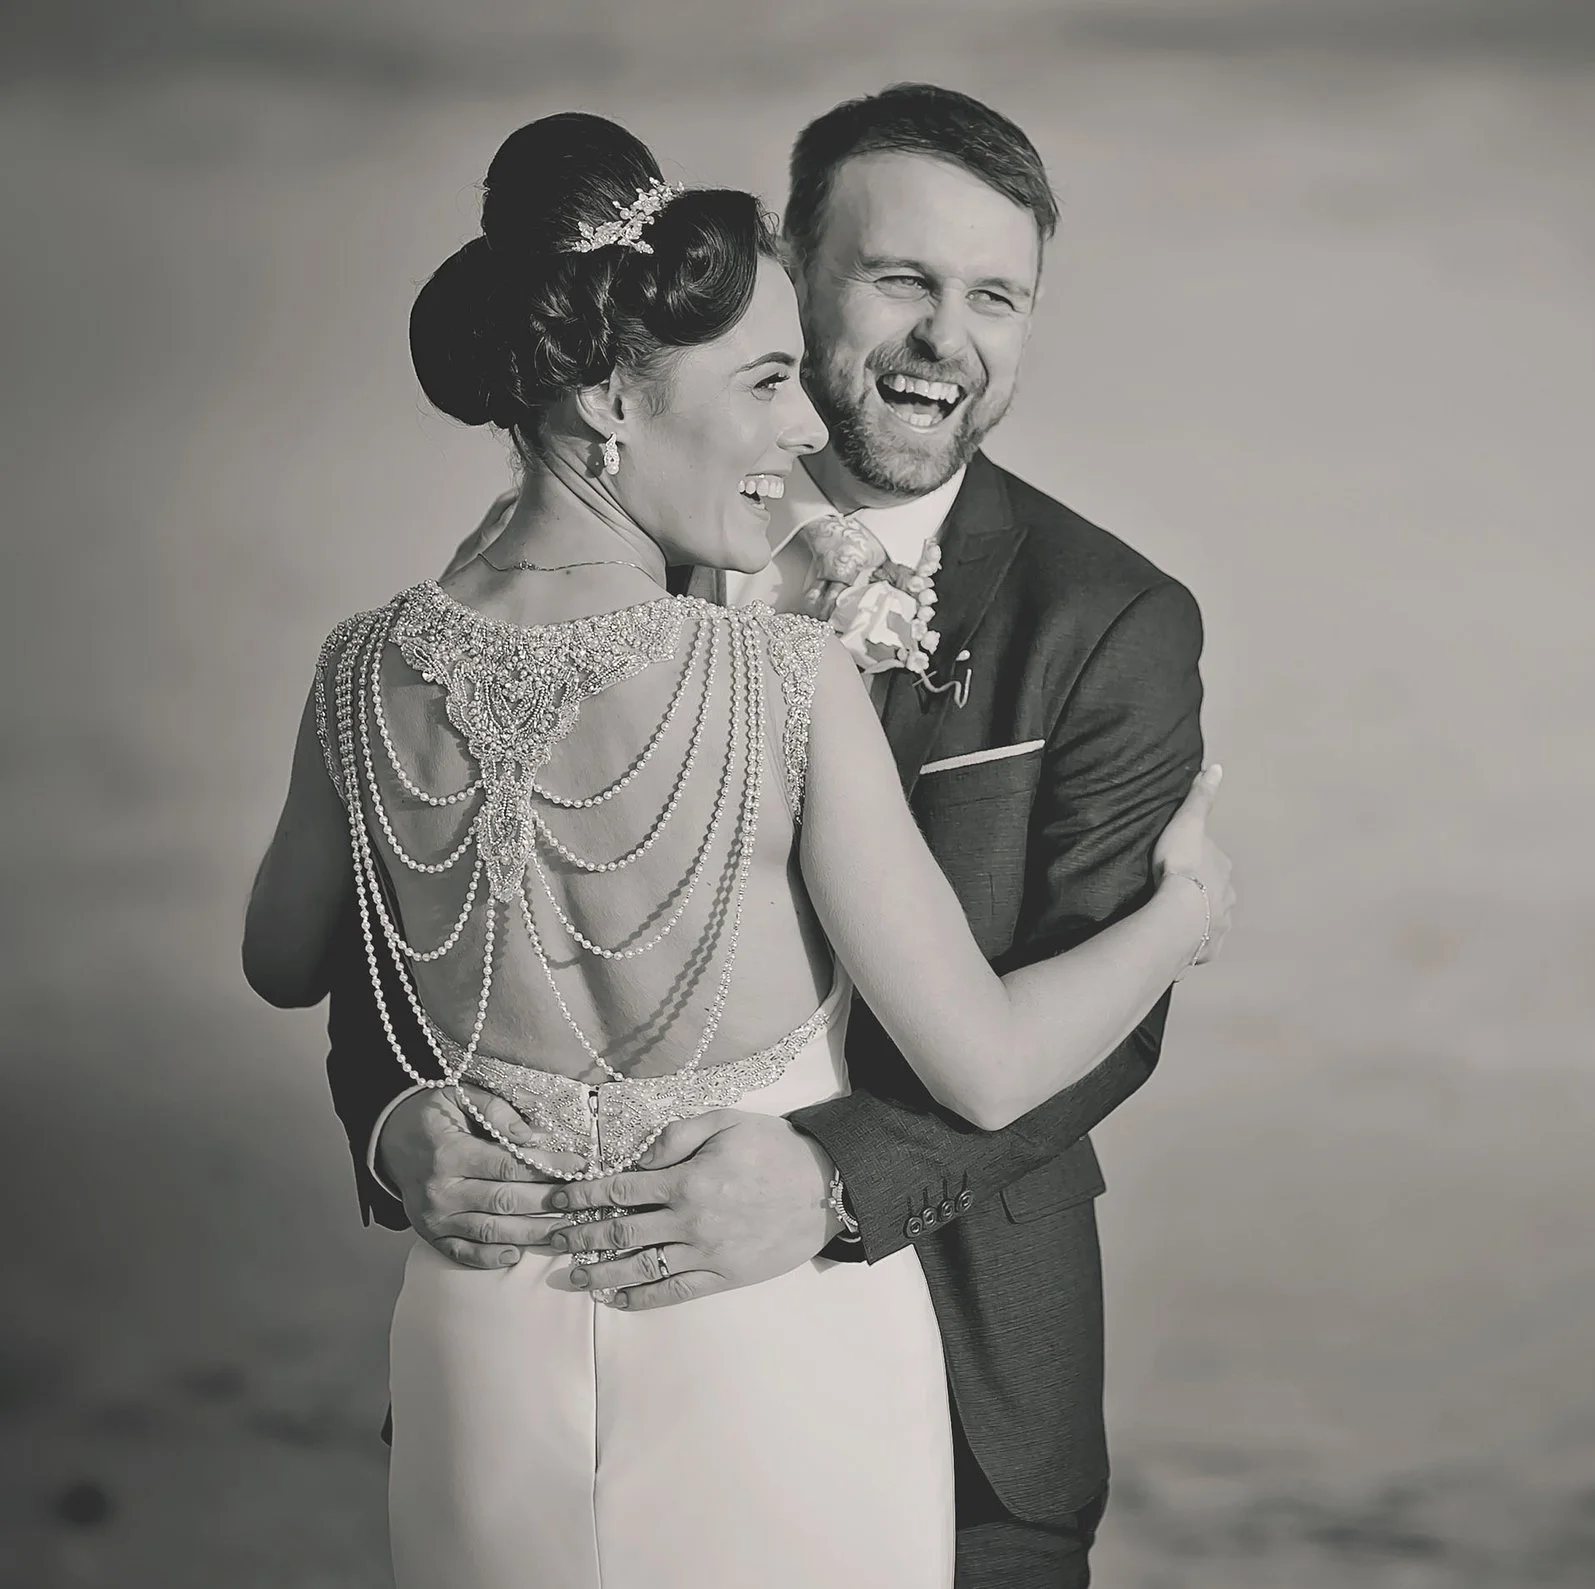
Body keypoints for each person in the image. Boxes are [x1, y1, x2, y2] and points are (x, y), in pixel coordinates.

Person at [244, 109, 1229, 1588]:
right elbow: (406, 962)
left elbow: (1100, 1033)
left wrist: (830, 1181)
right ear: (797, 271)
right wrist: (395, 1130)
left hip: (955, 1378)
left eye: (997, 296)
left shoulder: (1110, 622)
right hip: (564, 1330)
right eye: (899, 279)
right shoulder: (700, 596)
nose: (941, 339)